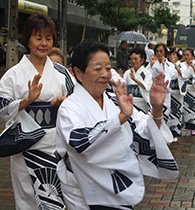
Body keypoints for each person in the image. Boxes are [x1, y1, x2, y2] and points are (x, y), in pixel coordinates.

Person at [55, 40, 178, 210]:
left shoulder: (114, 100)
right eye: (98, 69)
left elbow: (143, 128)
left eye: (107, 68)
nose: (105, 74)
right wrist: (120, 118)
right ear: (78, 72)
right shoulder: (69, 107)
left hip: (118, 180)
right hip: (83, 183)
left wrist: (156, 110)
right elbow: (80, 142)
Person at [0, 13, 74, 209]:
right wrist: (26, 100)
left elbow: (78, 103)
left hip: (54, 144)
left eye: (48, 38)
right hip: (25, 145)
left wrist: (65, 101)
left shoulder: (61, 73)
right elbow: (1, 107)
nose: (44, 43)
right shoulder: (13, 74)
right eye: (38, 38)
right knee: (27, 196)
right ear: (28, 38)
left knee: (52, 195)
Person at [146, 43, 177, 124]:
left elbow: (169, 77)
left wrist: (164, 66)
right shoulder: (152, 64)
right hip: (154, 93)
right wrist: (151, 65)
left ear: (165, 53)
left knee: (164, 116)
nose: (159, 53)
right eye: (157, 51)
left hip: (165, 94)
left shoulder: (170, 65)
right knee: (153, 115)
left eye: (161, 51)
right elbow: (146, 76)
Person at [181, 48, 195, 136]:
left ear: (192, 56)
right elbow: (181, 75)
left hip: (193, 89)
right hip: (184, 89)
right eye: (185, 55)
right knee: (183, 108)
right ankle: (182, 127)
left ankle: (193, 127)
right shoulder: (181, 64)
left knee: (193, 108)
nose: (186, 57)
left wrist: (193, 67)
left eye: (188, 55)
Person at [123, 47, 152, 113]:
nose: (133, 61)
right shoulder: (128, 73)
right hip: (130, 103)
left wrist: (135, 80)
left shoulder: (146, 73)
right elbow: (123, 86)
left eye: (136, 59)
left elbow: (147, 87)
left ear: (142, 60)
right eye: (131, 59)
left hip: (142, 104)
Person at [167, 47, 187, 138]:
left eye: (174, 55)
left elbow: (184, 75)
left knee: (177, 111)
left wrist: (175, 65)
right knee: (169, 111)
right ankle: (169, 132)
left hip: (178, 92)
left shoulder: (181, 65)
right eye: (170, 55)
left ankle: (176, 132)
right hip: (169, 91)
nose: (172, 56)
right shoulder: (167, 64)